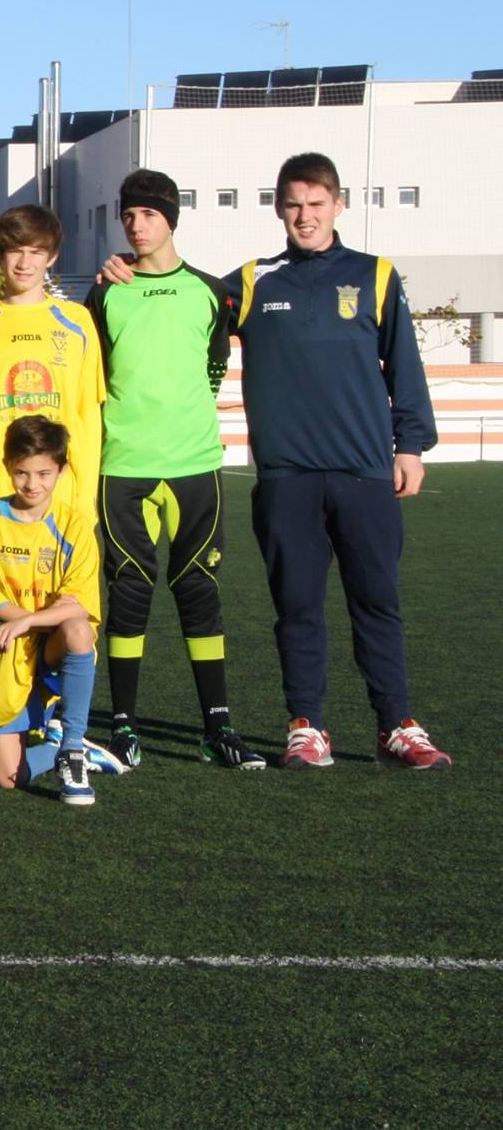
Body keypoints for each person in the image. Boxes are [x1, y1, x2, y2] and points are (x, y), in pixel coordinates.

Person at [104, 153, 448, 770]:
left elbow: (405, 365)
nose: (305, 217)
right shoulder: (250, 282)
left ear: (339, 206)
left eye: (317, 204)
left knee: (377, 601)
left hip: (366, 471)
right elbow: (179, 292)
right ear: (278, 209)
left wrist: (411, 445)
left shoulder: (374, 276)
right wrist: (125, 268)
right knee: (297, 606)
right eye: (293, 205)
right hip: (286, 476)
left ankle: (396, 724)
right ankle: (305, 725)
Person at [83, 170, 262, 772]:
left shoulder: (212, 292)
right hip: (123, 466)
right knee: (130, 592)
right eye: (129, 215)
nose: (137, 225)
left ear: (171, 219)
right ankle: (124, 725)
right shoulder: (106, 291)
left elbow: (215, 365)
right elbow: (95, 371)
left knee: (199, 593)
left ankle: (218, 726)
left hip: (194, 466)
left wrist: (184, 421)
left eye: (149, 214)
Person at [0, 416, 104, 805]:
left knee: (78, 631)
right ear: (7, 465)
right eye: (22, 473)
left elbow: (79, 605)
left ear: (62, 470)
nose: (32, 484)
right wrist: (26, 620)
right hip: (6, 648)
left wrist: (31, 621)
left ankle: (72, 747)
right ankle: (67, 749)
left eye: (43, 473)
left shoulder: (74, 525)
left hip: (53, 643)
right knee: (10, 778)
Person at [0, 205, 103, 523]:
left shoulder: (76, 322)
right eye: (15, 251)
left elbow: (87, 412)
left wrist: (86, 494)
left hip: (61, 491)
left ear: (52, 257)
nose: (24, 263)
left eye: (36, 252)